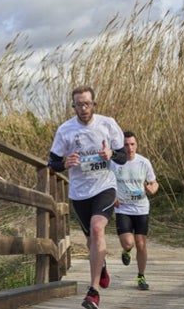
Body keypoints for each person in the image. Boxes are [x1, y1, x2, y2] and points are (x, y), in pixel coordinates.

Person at [48, 85, 127, 309]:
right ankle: (100, 265)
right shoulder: (65, 130)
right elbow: (51, 163)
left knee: (97, 227)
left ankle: (92, 292)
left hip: (105, 186)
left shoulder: (108, 124)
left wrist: (111, 154)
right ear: (73, 106)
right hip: (79, 193)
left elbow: (122, 157)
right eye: (79, 105)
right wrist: (64, 163)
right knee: (91, 239)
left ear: (94, 104)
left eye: (87, 104)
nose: (83, 108)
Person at [111, 130, 159, 291]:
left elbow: (154, 182)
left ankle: (141, 276)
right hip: (123, 208)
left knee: (141, 243)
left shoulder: (144, 162)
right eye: (126, 145)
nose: (129, 148)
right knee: (128, 242)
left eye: (132, 144)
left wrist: (152, 188)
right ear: (121, 146)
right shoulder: (114, 163)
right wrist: (112, 196)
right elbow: (104, 182)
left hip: (141, 208)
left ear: (136, 145)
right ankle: (126, 251)